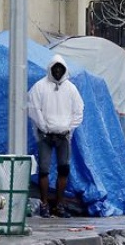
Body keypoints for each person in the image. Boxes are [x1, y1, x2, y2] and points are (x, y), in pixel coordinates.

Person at [27, 54, 84, 218]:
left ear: (64, 70)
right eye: (55, 68)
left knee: (63, 169)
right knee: (44, 170)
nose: (58, 71)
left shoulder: (71, 89)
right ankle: (44, 204)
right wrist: (44, 128)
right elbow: (34, 109)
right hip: (45, 135)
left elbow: (79, 111)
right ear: (50, 69)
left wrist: (67, 128)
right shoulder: (40, 87)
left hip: (63, 136)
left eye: (61, 68)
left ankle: (59, 205)